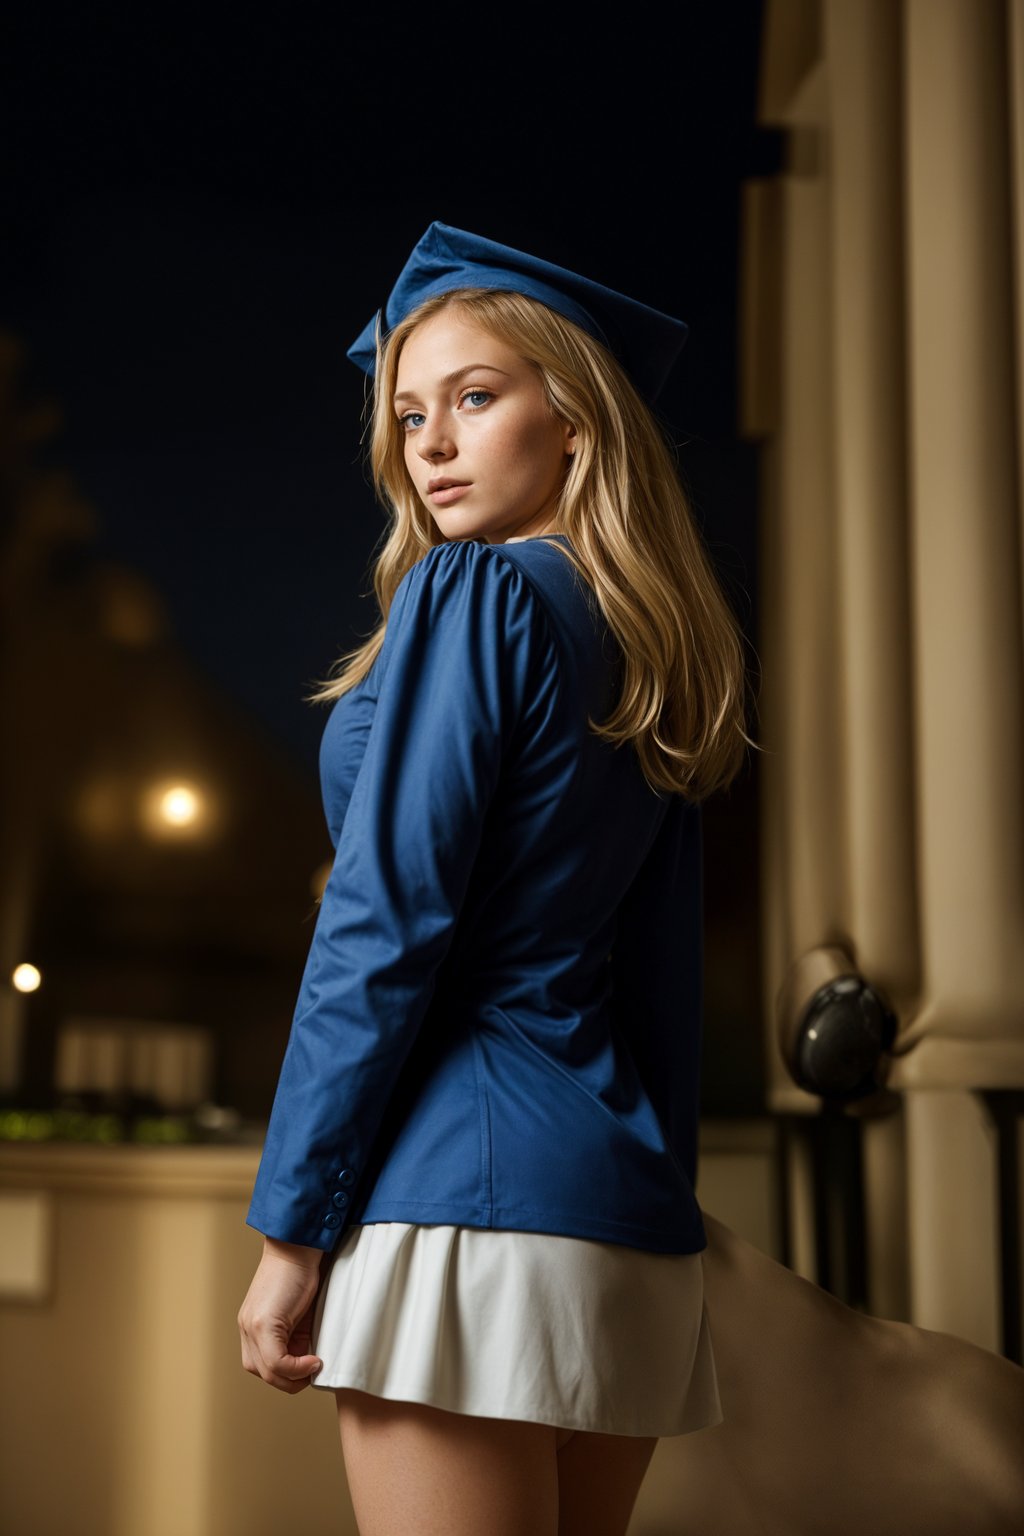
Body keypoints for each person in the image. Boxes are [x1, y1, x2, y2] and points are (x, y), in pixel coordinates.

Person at [237, 221, 755, 1536]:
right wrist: (660, 1194)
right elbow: (662, 985)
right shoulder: (647, 644)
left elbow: (384, 923)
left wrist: (292, 1229)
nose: (431, 441)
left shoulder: (479, 595)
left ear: (576, 418)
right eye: (409, 413)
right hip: (618, 1222)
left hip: (457, 1202)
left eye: (475, 396)